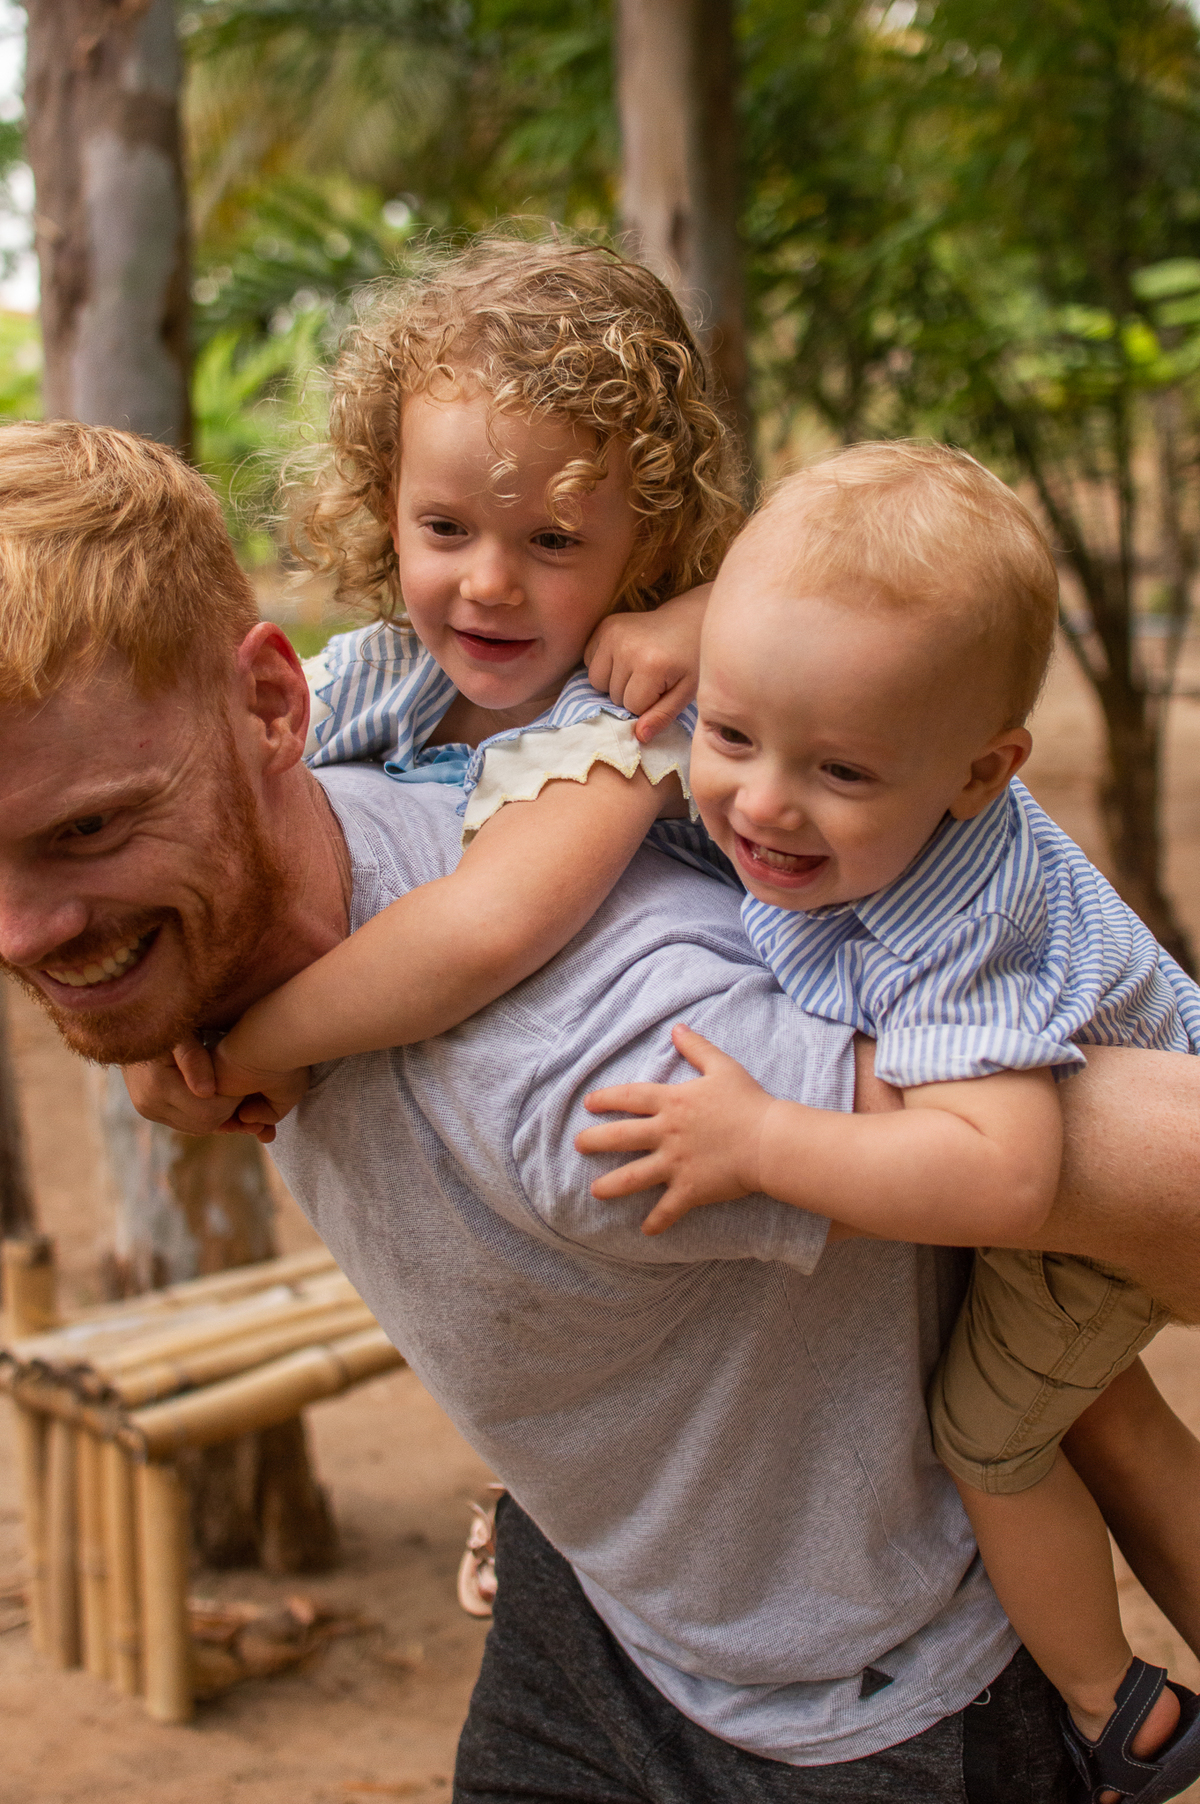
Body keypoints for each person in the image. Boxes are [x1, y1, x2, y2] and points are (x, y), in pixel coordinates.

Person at [9, 437, 1200, 1804]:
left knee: (1066, 1416)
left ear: (267, 705)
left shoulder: (620, 1055)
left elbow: (1081, 1170)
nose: (23, 930)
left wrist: (772, 1138)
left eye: (87, 833)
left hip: (861, 1705)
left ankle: (1123, 1706)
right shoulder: (364, 732)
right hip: (601, 1594)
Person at [576, 441, 1200, 1803]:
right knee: (1115, 1422)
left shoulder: (953, 920)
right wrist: (676, 640)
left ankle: (1121, 1709)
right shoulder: (847, 755)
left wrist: (761, 1142)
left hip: (1116, 1211)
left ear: (983, 774)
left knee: (992, 1434)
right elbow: (776, 668)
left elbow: (1008, 1178)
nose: (760, 800)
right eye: (729, 734)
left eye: (840, 774)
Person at [181, 232, 744, 1118]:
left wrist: (243, 1049)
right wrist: (162, 1021)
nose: (487, 585)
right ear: (388, 503)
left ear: (652, 539)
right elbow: (196, 788)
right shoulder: (389, 669)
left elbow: (483, 931)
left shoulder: (637, 715)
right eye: (445, 528)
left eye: (552, 540)